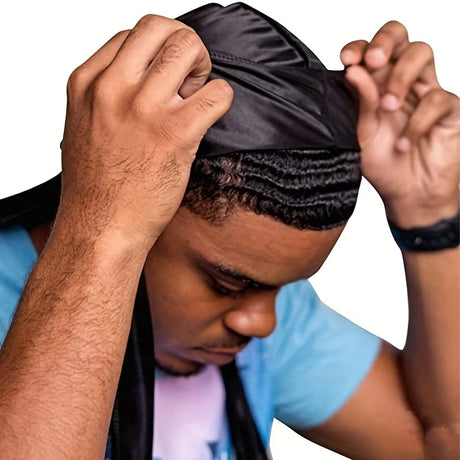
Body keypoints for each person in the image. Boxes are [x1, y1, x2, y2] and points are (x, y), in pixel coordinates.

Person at [0, 2, 458, 459]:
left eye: (279, 289)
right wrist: (102, 222)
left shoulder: (268, 312)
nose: (262, 323)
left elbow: (440, 441)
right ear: (138, 211)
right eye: (225, 285)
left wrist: (430, 215)